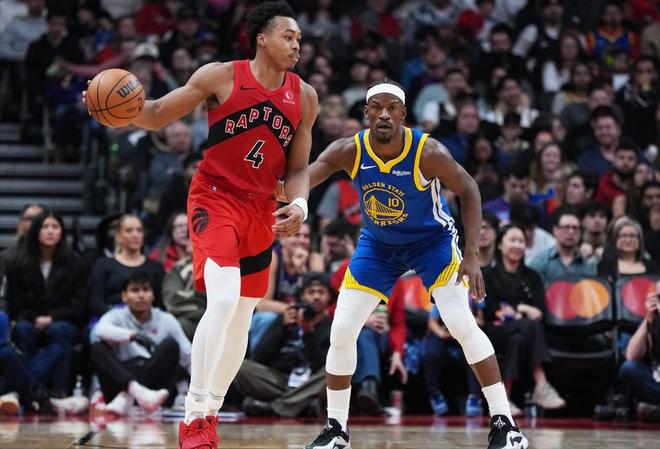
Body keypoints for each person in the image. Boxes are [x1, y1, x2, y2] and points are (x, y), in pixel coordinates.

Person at [83, 2, 319, 447]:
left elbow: (298, 168)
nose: (296, 46)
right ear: (262, 39)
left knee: (242, 317)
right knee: (223, 298)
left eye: (299, 39)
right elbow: (155, 113)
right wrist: (113, 109)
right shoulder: (221, 76)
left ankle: (210, 412)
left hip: (261, 209)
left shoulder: (304, 96)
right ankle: (192, 414)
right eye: (288, 36)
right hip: (215, 196)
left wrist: (301, 205)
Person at [303, 79, 528, 449]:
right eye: (377, 107)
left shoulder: (427, 151)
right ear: (366, 113)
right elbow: (306, 176)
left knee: (460, 323)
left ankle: (506, 424)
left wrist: (471, 255)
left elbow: (469, 189)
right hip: (378, 246)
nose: (384, 114)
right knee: (341, 330)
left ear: (403, 114)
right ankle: (336, 430)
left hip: (431, 243)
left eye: (392, 108)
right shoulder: (349, 149)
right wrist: (287, 197)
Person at [234, 272, 333, 418]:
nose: (316, 297)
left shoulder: (331, 326)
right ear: (302, 296)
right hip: (280, 380)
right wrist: (282, 329)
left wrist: (308, 332)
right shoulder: (285, 319)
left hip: (311, 381)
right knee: (240, 366)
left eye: (321, 292)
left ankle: (276, 407)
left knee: (332, 371)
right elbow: (260, 357)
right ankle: (301, 403)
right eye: (311, 292)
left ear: (329, 297)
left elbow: (318, 363)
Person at [92, 273, 191, 416]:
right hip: (122, 381)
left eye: (146, 289)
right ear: (124, 296)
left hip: (155, 390)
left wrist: (201, 392)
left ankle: (132, 395)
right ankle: (135, 391)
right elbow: (100, 330)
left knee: (171, 345)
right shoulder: (116, 315)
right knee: (98, 347)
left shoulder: (167, 319)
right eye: (135, 290)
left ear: (153, 295)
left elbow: (188, 355)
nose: (141, 295)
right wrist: (133, 336)